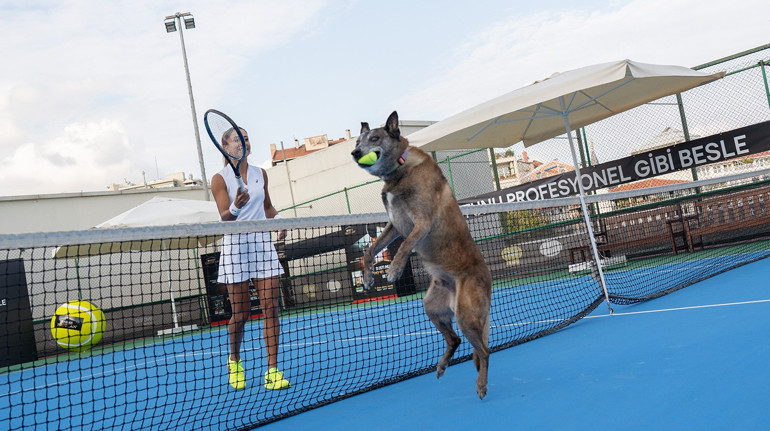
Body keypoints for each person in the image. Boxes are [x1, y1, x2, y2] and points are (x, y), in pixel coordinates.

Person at [211, 126, 290, 391]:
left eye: (246, 138)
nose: (244, 142)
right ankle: (234, 361)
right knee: (241, 313)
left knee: (271, 308)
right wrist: (236, 206)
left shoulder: (260, 174)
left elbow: (267, 207)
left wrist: (279, 221)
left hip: (262, 245)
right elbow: (225, 217)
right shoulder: (219, 179)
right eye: (238, 139)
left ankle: (272, 371)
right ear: (226, 146)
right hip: (235, 248)